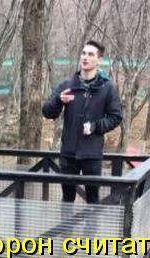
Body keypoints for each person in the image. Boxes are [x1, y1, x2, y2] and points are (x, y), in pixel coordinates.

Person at [42, 40, 122, 204]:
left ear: (99, 60)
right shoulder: (67, 85)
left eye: (90, 54)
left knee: (93, 199)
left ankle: (91, 223)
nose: (85, 57)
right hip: (68, 153)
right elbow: (47, 112)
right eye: (83, 53)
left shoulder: (107, 88)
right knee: (67, 199)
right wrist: (59, 100)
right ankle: (66, 223)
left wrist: (95, 126)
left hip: (92, 154)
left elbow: (116, 117)